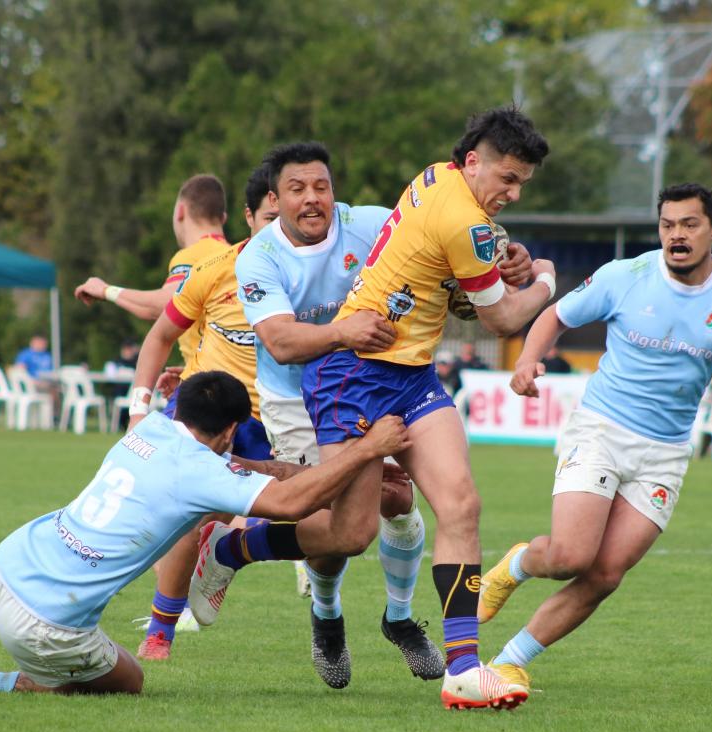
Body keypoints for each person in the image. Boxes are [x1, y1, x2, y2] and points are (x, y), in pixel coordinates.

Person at [0, 372, 411, 695]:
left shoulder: (145, 429)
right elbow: (292, 501)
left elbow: (258, 470)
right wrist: (370, 448)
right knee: (129, 681)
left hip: (13, 559)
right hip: (50, 619)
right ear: (227, 432)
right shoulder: (203, 472)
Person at [477, 182, 712, 704]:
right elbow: (557, 315)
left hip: (665, 453)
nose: (677, 235)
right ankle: (518, 564)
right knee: (569, 557)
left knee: (605, 574)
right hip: (602, 429)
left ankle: (510, 664)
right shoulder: (624, 276)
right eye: (668, 224)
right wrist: (525, 360)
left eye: (690, 224)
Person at [302, 106, 556, 710]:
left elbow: (454, 279)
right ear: (474, 162)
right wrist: (543, 278)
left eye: (523, 184)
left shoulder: (436, 175)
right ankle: (234, 545)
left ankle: (463, 668)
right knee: (351, 532)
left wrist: (502, 262)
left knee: (461, 503)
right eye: (508, 179)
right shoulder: (462, 217)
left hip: (411, 374)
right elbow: (498, 317)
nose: (513, 194)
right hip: (353, 374)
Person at [233, 141, 442, 689]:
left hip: (378, 383)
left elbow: (440, 235)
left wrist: (502, 256)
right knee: (336, 530)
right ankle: (326, 615)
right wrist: (340, 333)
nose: (312, 199)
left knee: (398, 499)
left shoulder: (369, 224)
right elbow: (279, 342)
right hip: (296, 401)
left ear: (334, 192)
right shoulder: (258, 257)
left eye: (321, 187)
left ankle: (398, 620)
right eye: (297, 189)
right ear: (275, 200)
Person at [122, 166, 278, 660]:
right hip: (205, 409)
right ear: (248, 218)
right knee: (171, 511)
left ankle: (228, 553)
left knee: (327, 530)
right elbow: (161, 331)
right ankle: (159, 633)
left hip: (272, 420)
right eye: (271, 217)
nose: (281, 228)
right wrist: (137, 409)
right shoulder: (214, 269)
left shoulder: (318, 275)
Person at [73, 173, 231, 357]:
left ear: (180, 211)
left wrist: (106, 290)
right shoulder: (235, 256)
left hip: (209, 381)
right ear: (224, 218)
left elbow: (166, 305)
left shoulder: (191, 256)